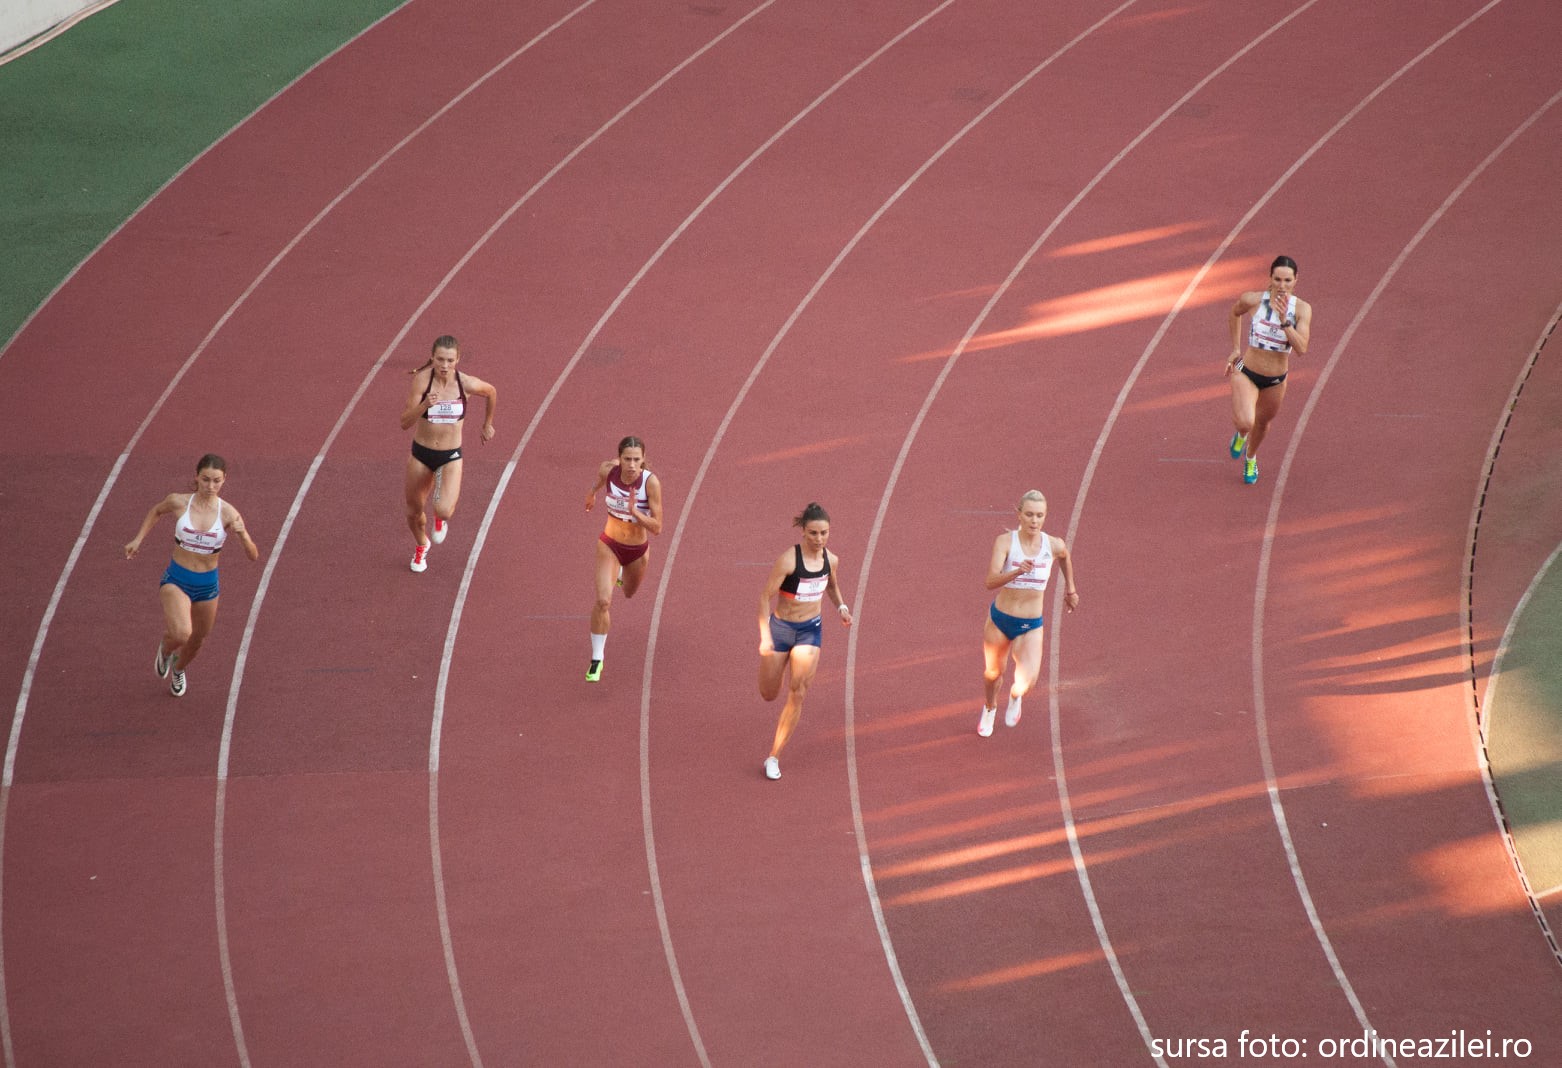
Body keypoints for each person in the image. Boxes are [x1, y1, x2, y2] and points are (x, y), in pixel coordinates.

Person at [124, 454, 261, 697]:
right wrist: (138, 539)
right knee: (181, 633)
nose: (210, 486)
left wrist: (242, 535)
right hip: (177, 580)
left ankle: (178, 669)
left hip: (207, 585)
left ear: (224, 480)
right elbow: (157, 511)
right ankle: (166, 650)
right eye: (206, 479)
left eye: (216, 481)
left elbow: (253, 556)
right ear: (196, 476)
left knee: (197, 640)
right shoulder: (179, 502)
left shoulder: (228, 513)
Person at [757, 503, 852, 779]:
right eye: (813, 533)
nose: (819, 539)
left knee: (798, 692)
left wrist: (841, 607)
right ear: (803, 531)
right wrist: (765, 636)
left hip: (810, 631)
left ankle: (774, 756)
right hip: (781, 630)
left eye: (824, 533)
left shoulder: (830, 560)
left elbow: (831, 585)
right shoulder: (789, 560)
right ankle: (778, 666)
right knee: (768, 693)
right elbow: (764, 596)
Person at [978, 490, 1078, 737]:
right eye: (1030, 515)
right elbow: (990, 581)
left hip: (1031, 624)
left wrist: (1071, 590)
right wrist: (1016, 572)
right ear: (1019, 514)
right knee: (993, 674)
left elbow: (1065, 558)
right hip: (1001, 619)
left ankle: (1015, 695)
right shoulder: (1005, 542)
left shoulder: (1052, 545)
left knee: (1027, 681)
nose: (1034, 521)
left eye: (1040, 516)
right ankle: (990, 707)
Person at [400, 334, 497, 572]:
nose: (444, 365)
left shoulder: (465, 384)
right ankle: (422, 545)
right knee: (413, 512)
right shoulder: (422, 382)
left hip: (450, 455)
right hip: (421, 453)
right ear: (432, 358)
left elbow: (491, 392)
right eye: (440, 359)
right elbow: (404, 422)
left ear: (458, 360)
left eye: (450, 360)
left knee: (443, 510)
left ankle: (439, 517)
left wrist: (487, 424)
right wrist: (424, 405)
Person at [1224, 255, 1313, 485]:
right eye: (1278, 279)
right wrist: (1235, 348)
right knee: (1246, 422)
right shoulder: (1254, 300)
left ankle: (1250, 458)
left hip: (1276, 380)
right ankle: (1241, 435)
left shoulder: (1301, 310)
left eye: (1287, 280)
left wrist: (1285, 322)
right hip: (1247, 372)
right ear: (1270, 278)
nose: (1282, 285)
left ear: (1296, 280)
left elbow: (1301, 348)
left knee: (1262, 423)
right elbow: (1234, 312)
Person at [583, 436, 664, 682]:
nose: (631, 465)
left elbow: (657, 527)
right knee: (603, 602)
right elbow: (599, 482)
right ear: (619, 458)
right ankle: (597, 659)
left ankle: (619, 573)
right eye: (627, 459)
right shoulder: (608, 470)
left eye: (636, 460)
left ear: (643, 459)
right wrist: (592, 494)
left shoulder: (650, 483)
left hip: (637, 550)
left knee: (628, 592)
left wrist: (634, 512)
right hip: (609, 544)